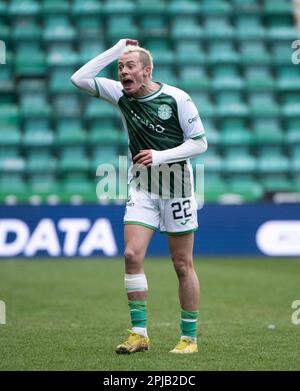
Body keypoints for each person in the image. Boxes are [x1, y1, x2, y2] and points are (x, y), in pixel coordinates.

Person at [71, 39, 208, 354]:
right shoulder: (121, 95)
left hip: (178, 187)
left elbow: (200, 143)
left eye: (129, 66)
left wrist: (159, 156)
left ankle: (189, 339)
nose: (122, 72)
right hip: (142, 187)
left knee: (182, 263)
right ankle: (139, 334)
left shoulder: (177, 98)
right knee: (132, 255)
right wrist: (116, 49)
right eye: (120, 67)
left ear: (147, 71)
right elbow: (78, 79)